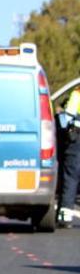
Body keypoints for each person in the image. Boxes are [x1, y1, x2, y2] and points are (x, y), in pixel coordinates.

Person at [59, 88, 80, 226]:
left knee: (71, 175)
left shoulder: (77, 93)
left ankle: (65, 217)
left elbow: (66, 118)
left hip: (77, 138)